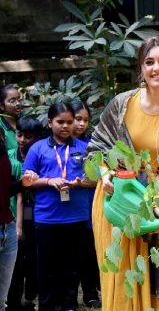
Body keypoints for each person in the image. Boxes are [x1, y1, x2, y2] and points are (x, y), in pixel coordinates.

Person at [86, 35, 159, 311]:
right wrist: (105, 174)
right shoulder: (122, 104)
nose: (156, 68)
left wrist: (156, 201)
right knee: (123, 279)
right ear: (141, 68)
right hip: (118, 200)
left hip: (155, 200)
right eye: (149, 62)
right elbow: (97, 150)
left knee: (155, 274)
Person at [23, 102, 95, 311]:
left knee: (72, 266)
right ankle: (46, 305)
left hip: (77, 217)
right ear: (49, 122)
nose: (65, 126)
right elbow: (26, 180)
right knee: (47, 266)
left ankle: (69, 304)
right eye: (60, 122)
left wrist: (81, 182)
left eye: (69, 122)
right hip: (47, 218)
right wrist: (47, 181)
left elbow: (97, 179)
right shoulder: (38, 148)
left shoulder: (85, 148)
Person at [6, 117, 43, 311]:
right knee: (16, 260)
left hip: (38, 214)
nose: (22, 140)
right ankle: (13, 300)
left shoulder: (42, 155)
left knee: (35, 257)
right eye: (19, 135)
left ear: (37, 138)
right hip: (14, 213)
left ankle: (31, 298)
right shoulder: (9, 156)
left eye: (27, 137)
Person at [70, 100, 101, 309]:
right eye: (77, 119)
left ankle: (91, 294)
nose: (81, 124)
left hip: (89, 210)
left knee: (89, 254)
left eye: (85, 120)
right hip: (64, 211)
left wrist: (84, 183)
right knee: (69, 257)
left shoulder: (91, 147)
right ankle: (69, 296)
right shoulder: (52, 145)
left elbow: (100, 177)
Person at [0, 85, 22, 150]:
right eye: (12, 101)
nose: (18, 103)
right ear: (2, 106)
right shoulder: (1, 128)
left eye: (19, 99)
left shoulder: (24, 122)